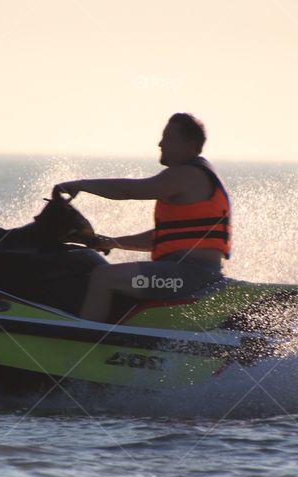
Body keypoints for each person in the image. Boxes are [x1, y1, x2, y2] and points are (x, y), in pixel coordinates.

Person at [57, 113, 231, 322]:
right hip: (184, 273)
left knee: (103, 277)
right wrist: (112, 242)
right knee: (100, 273)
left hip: (185, 276)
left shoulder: (187, 174)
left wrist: (82, 185)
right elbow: (162, 238)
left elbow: (133, 190)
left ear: (190, 144)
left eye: (168, 138)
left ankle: (82, 343)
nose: (160, 144)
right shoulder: (194, 177)